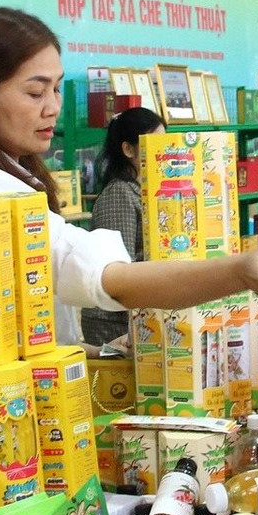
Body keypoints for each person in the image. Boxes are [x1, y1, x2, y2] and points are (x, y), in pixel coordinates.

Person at [0, 8, 258, 344]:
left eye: (55, 89)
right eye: (35, 93)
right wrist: (238, 271)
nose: (52, 107)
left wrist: (94, 352)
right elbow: (113, 279)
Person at [80, 105, 164, 347]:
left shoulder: (145, 191)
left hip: (138, 314)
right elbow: (119, 268)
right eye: (152, 144)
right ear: (128, 149)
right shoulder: (119, 193)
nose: (161, 152)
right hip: (113, 323)